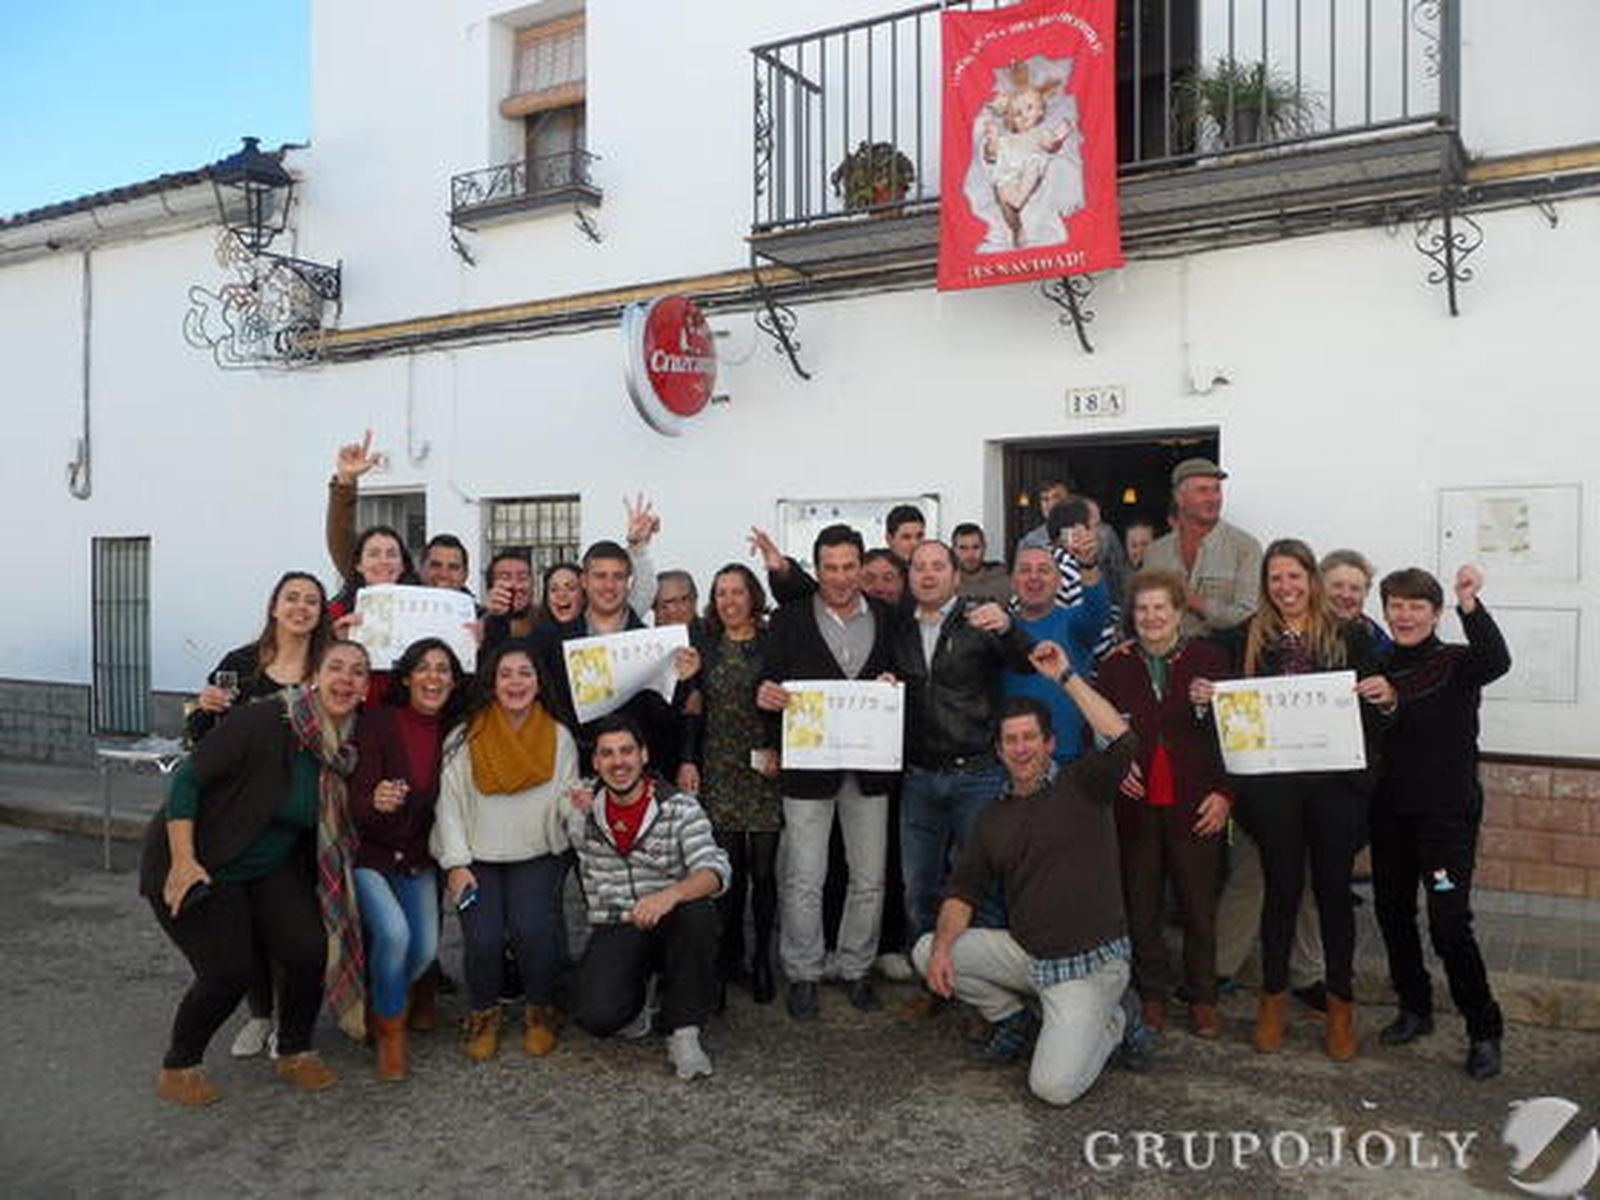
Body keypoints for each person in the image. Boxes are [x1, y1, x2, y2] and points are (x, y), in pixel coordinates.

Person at [139, 640, 372, 1106]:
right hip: (204, 857)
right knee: (228, 971)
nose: (346, 679)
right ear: (314, 678)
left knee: (307, 949)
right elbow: (187, 779)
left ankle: (294, 1050)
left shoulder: (341, 748)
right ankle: (181, 1064)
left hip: (268, 862)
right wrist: (185, 862)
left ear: (367, 689)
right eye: (337, 668)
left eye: (358, 672)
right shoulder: (267, 718)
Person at [1191, 539, 1395, 1061]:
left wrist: (1386, 697)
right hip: (1272, 791)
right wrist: (1205, 698)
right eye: (1276, 578)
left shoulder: (1351, 637)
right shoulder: (1244, 639)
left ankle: (1341, 1005)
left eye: (1294, 577)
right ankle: (1273, 1000)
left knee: (1332, 895)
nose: (1285, 587)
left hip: (1335, 790)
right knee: (1280, 892)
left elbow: (1377, 712)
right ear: (1267, 584)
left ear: (1312, 580)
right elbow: (1226, 706)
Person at [914, 653, 1137, 1108]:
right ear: (998, 751)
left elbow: (1121, 739)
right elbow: (963, 893)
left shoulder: (1084, 785)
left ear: (1050, 743)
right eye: (1010, 740)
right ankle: (1014, 1017)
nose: (1021, 748)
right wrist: (941, 950)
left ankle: (1112, 1024)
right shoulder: (992, 818)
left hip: (1088, 967)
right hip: (1028, 956)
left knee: (1052, 1089)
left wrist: (1067, 678)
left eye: (1029, 738)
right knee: (927, 951)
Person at [184, 571, 332, 1058]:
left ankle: (289, 1024)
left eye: (311, 601)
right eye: (292, 598)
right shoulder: (241, 665)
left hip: (300, 818)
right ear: (274, 606)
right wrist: (201, 709)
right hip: (239, 817)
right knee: (245, 928)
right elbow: (201, 741)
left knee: (294, 926)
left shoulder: (325, 666)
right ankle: (260, 1014)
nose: (301, 608)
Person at [1372, 565, 1510, 1079]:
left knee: (1449, 922)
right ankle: (1415, 1008)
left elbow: (1498, 659)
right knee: (1392, 913)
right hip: (1389, 811)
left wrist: (1470, 604)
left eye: (1415, 606)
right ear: (1384, 610)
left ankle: (1484, 1029)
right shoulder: (1377, 662)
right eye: (1396, 605)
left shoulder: (1457, 662)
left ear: (1433, 613)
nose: (1404, 615)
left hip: (1447, 815)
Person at [757, 524, 898, 1019]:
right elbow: (765, 681)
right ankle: (803, 972)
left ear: (862, 567)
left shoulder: (886, 616)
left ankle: (857, 967)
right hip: (808, 770)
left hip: (869, 769)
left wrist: (890, 687)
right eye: (831, 567)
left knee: (868, 878)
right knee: (804, 877)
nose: (840, 577)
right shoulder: (790, 620)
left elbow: (905, 682)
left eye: (849, 566)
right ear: (816, 570)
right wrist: (766, 695)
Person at [1096, 569, 1232, 1037]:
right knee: (1141, 902)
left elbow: (1236, 736)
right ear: (1132, 616)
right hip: (1135, 805)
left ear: (1179, 612)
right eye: (1143, 609)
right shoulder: (1115, 665)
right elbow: (1101, 729)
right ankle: (1150, 992)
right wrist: (1117, 768)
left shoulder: (1210, 659)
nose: (1152, 617)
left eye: (1161, 608)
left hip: (1195, 803)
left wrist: (1224, 793)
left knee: (1198, 904)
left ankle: (1202, 995)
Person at [430, 640, 580, 1062]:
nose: (516, 682)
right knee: (482, 938)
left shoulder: (559, 735)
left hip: (537, 852)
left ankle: (540, 1011)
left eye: (525, 673)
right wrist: (456, 865)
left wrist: (579, 808)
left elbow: (565, 800)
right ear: (492, 683)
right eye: (506, 674)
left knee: (534, 930)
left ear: (538, 681)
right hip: (476, 857)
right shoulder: (464, 736)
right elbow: (450, 804)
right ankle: (483, 1014)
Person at [566, 717, 732, 1081]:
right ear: (595, 762)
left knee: (698, 912)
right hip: (619, 922)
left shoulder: (679, 806)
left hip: (672, 918)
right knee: (598, 1018)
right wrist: (573, 815)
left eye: (627, 751)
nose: (618, 762)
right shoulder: (581, 808)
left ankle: (683, 1030)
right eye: (607, 754)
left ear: (644, 755)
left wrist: (668, 896)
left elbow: (716, 871)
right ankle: (643, 994)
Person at [893, 540, 1036, 941]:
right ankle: (930, 978)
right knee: (919, 889)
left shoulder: (979, 620)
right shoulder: (899, 627)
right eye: (919, 567)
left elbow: (1026, 661)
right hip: (918, 777)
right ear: (910, 577)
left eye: (938, 566)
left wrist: (1009, 627)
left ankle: (983, 981)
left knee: (982, 884)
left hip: (976, 775)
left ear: (956, 576)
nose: (927, 574)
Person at [348, 637, 466, 1079]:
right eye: (424, 668)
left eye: (443, 669)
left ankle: (379, 1007)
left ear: (454, 682)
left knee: (424, 951)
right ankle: (390, 1037)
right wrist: (374, 800)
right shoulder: (378, 722)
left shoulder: (456, 733)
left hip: (418, 860)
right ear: (406, 677)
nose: (433, 677)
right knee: (394, 936)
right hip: (371, 856)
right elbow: (355, 798)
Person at [680, 565, 782, 1005]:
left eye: (737, 592)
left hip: (763, 770)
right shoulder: (702, 644)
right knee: (727, 873)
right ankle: (724, 962)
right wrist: (687, 758)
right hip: (718, 766)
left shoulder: (774, 642)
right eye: (721, 593)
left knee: (763, 874)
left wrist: (781, 749)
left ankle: (762, 957)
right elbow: (692, 708)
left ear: (752, 597)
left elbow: (789, 700)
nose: (729, 601)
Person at [530, 539, 698, 776]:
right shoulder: (550, 641)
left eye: (618, 577)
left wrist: (682, 681)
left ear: (629, 583)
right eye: (600, 576)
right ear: (585, 581)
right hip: (570, 777)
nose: (609, 586)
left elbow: (664, 722)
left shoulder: (652, 645)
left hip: (633, 781)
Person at [1003, 539, 1109, 764]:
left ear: (1060, 582)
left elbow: (1097, 606)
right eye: (1024, 570)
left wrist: (1088, 565)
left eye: (1043, 570)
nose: (1033, 577)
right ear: (1012, 581)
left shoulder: (1074, 624)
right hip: (1010, 763)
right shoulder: (1000, 629)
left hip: (1068, 759)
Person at [1141, 458, 1261, 639]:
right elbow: (1141, 608)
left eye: (1217, 490)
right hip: (1165, 658)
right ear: (1179, 498)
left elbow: (1246, 613)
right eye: (1202, 490)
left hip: (1225, 659)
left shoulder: (1245, 547)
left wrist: (1193, 601)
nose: (1213, 498)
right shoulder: (1155, 553)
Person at [1321, 548, 1394, 655]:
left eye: (1355, 588)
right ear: (1319, 587)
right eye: (1337, 586)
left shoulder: (1375, 637)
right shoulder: (1296, 634)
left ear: (1366, 592)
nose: (1346, 595)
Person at [953, 523, 1011, 604]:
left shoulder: (1002, 578)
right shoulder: (945, 581)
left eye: (976, 547)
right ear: (954, 550)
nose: (970, 554)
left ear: (984, 548)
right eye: (963, 548)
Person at [1017, 480, 1071, 553]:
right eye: (1045, 499)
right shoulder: (1030, 541)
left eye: (1056, 498)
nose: (1051, 504)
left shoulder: (1085, 535)